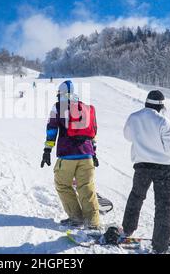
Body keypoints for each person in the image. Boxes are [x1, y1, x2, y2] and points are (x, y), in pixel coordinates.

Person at [122, 90, 170, 253]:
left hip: (142, 166)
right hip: (164, 169)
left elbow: (128, 137)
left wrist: (143, 142)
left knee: (136, 197)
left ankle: (127, 229)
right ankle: (160, 244)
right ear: (161, 105)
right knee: (163, 205)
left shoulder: (134, 117)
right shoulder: (163, 121)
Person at [40, 80, 100, 229]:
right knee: (87, 187)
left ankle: (76, 218)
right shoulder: (85, 108)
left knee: (62, 185)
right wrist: (94, 153)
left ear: (60, 93)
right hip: (87, 155)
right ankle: (93, 222)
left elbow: (52, 130)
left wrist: (47, 150)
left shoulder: (58, 107)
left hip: (67, 156)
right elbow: (93, 132)